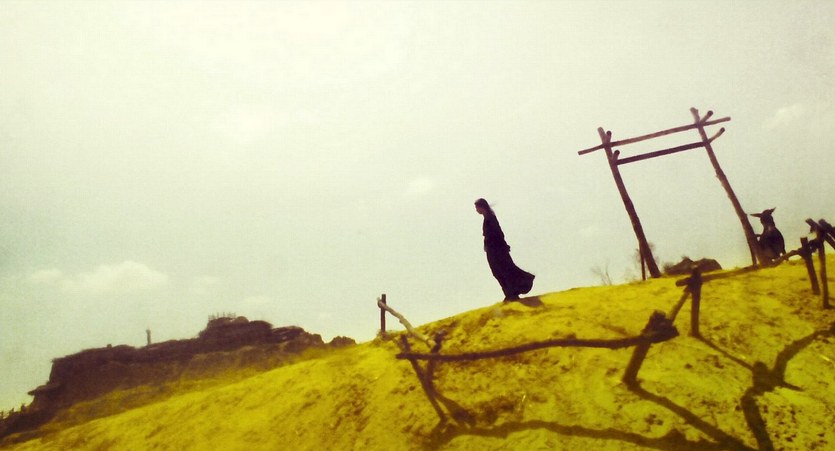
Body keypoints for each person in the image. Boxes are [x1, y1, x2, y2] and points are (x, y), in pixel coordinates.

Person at [474, 198, 535, 301]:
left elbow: (498, 233)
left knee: (504, 270)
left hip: (497, 250)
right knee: (498, 272)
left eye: (477, 207)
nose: (476, 210)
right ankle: (510, 293)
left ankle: (512, 293)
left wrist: (503, 246)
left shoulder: (490, 218)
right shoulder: (487, 218)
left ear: (482, 207)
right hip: (492, 250)